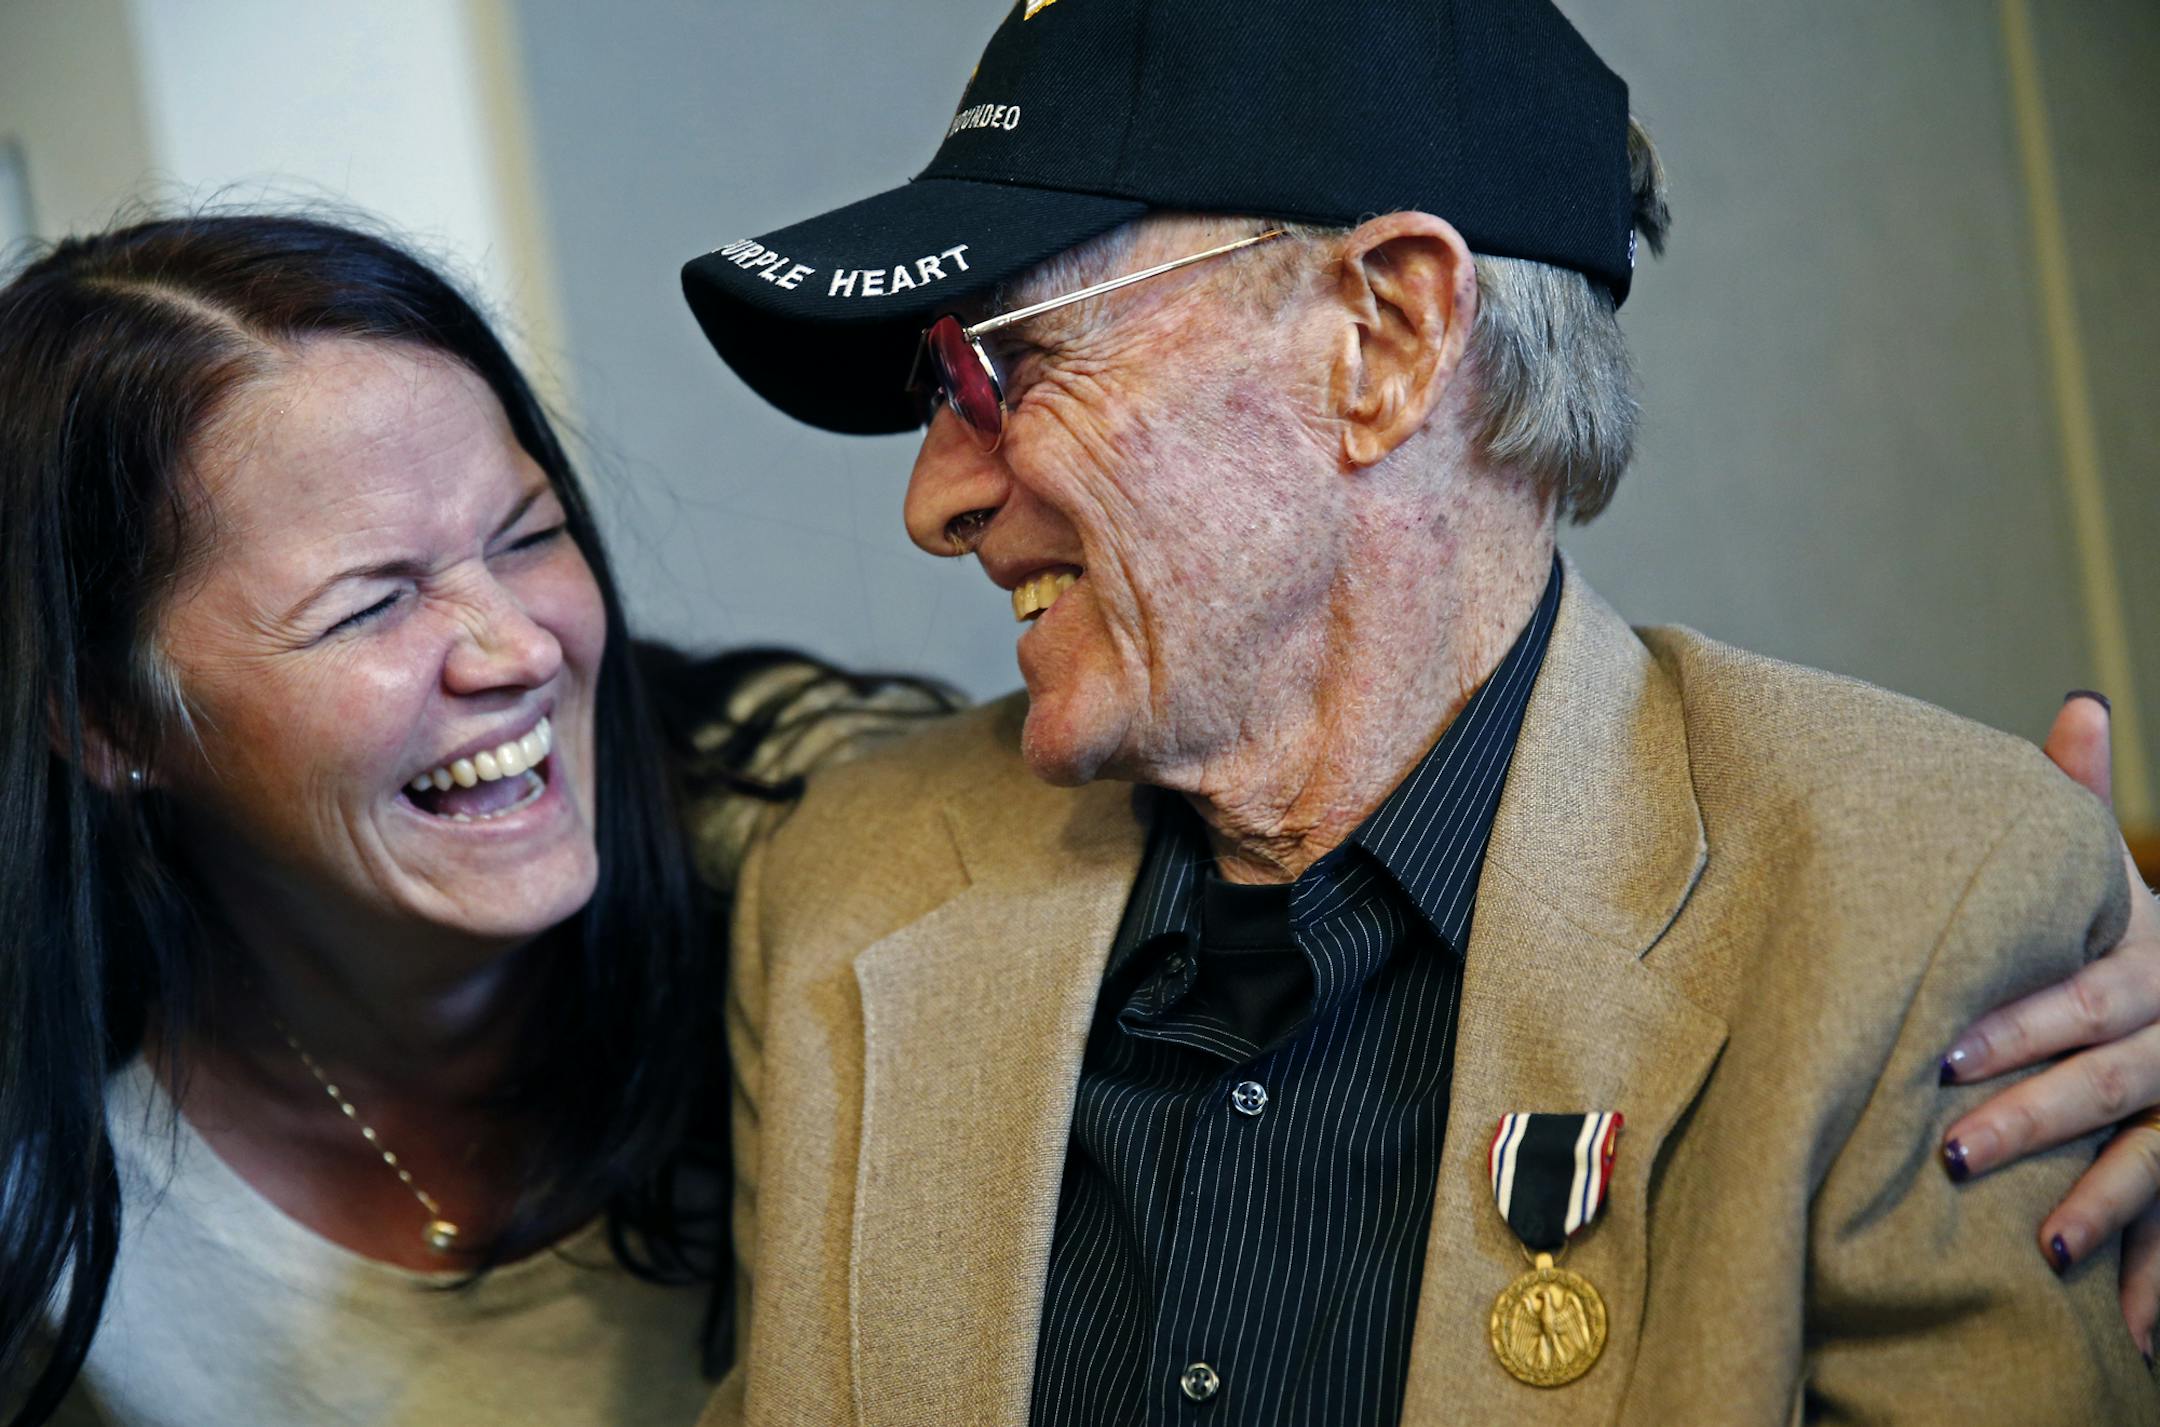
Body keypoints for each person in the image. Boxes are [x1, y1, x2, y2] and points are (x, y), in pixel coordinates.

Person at [679, 0, 2160, 1420]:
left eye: (1000, 363)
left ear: (1384, 338)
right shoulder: (839, 893)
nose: (934, 498)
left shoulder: (1904, 912)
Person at [0, 214, 948, 1426]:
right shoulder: (53, 1173)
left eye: (532, 536)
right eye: (370, 607)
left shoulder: (815, 832)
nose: (521, 647)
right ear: (108, 724)